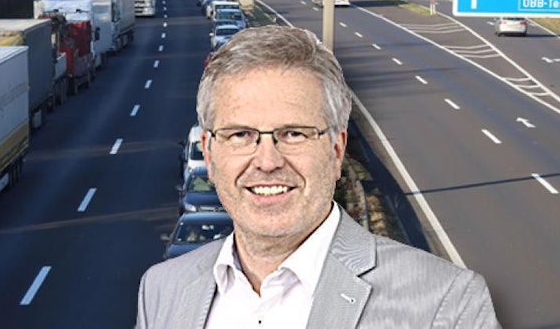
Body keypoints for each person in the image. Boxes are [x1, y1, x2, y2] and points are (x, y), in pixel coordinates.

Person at [137, 26, 499, 328]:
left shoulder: (446, 303)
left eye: (293, 134)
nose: (266, 161)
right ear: (210, 153)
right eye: (241, 134)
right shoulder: (162, 291)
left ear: (337, 149)